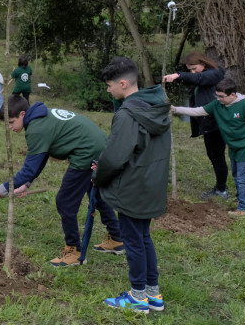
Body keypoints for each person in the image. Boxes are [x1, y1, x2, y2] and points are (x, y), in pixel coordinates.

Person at [0, 95, 124, 266]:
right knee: (97, 195)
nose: (10, 128)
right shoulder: (41, 117)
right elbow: (42, 156)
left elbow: (28, 169)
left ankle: (74, 251)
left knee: (65, 201)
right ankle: (117, 238)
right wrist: (26, 184)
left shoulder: (36, 128)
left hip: (87, 154)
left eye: (11, 122)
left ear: (22, 114)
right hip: (100, 147)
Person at [95, 57, 170, 314]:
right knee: (144, 237)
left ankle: (137, 298)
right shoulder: (157, 105)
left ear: (123, 84)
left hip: (132, 187)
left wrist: (98, 177)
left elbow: (115, 156)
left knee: (133, 241)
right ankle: (153, 293)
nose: (108, 90)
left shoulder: (128, 114)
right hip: (152, 185)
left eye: (109, 85)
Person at [171, 77, 245, 217]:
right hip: (234, 147)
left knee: (243, 178)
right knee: (236, 175)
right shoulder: (217, 105)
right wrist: (176, 109)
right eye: (217, 95)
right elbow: (199, 111)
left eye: (221, 96)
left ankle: (244, 208)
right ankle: (241, 201)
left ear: (233, 95)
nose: (218, 98)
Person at [162, 52, 228, 200]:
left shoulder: (215, 73)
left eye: (194, 68)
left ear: (203, 64)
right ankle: (220, 185)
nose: (193, 72)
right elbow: (195, 80)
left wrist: (179, 75)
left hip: (216, 123)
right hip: (207, 122)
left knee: (217, 156)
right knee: (212, 154)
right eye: (189, 70)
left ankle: (222, 189)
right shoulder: (202, 76)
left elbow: (199, 78)